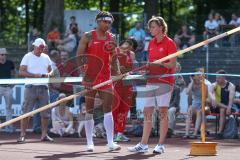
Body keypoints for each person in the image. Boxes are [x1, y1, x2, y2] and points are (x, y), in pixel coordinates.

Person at [128, 16, 177, 154]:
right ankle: (143, 144)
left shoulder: (170, 43)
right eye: (150, 27)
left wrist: (159, 64)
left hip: (165, 82)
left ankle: (160, 145)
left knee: (162, 112)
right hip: (151, 81)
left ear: (161, 27)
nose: (151, 29)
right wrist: (146, 69)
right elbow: (151, 64)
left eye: (153, 26)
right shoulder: (151, 43)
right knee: (147, 112)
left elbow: (172, 65)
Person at [76, 11, 121, 152]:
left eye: (109, 22)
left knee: (108, 110)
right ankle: (89, 143)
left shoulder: (112, 38)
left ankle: (110, 143)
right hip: (90, 78)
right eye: (105, 21)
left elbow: (114, 58)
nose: (107, 24)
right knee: (89, 110)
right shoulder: (88, 36)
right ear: (98, 21)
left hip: (106, 78)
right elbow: (79, 56)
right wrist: (84, 74)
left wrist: (118, 72)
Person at [17, 38, 54, 143]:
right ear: (34, 46)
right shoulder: (27, 56)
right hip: (31, 87)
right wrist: (34, 76)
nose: (41, 50)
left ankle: (44, 135)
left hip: (43, 87)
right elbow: (21, 71)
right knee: (26, 112)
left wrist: (48, 74)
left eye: (43, 48)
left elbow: (51, 70)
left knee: (45, 113)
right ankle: (22, 135)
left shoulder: (46, 57)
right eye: (39, 48)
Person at [112, 39, 135, 142]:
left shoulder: (132, 54)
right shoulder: (114, 52)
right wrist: (117, 70)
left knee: (124, 110)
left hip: (127, 85)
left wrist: (125, 71)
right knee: (114, 109)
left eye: (130, 46)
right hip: (116, 84)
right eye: (125, 45)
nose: (128, 47)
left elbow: (131, 69)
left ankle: (120, 133)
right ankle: (112, 133)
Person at [210, 70, 235, 139]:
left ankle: (220, 132)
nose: (216, 79)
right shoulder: (214, 85)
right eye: (216, 78)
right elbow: (210, 93)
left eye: (218, 78)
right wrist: (213, 98)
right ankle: (201, 131)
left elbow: (231, 99)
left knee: (222, 109)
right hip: (215, 105)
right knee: (207, 101)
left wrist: (229, 107)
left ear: (223, 78)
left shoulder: (231, 86)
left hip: (226, 108)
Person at [183, 69, 208, 139]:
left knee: (199, 112)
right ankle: (187, 133)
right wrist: (191, 82)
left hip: (204, 105)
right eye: (198, 75)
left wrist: (202, 106)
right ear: (193, 77)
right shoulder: (192, 84)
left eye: (200, 75)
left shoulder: (204, 85)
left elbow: (206, 98)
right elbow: (187, 92)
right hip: (195, 104)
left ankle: (195, 133)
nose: (200, 76)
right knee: (189, 110)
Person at [0, 48, 16, 132]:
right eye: (2, 54)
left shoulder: (10, 63)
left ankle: (9, 126)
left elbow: (14, 73)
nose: (4, 56)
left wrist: (14, 82)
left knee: (9, 107)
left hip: (8, 88)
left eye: (5, 54)